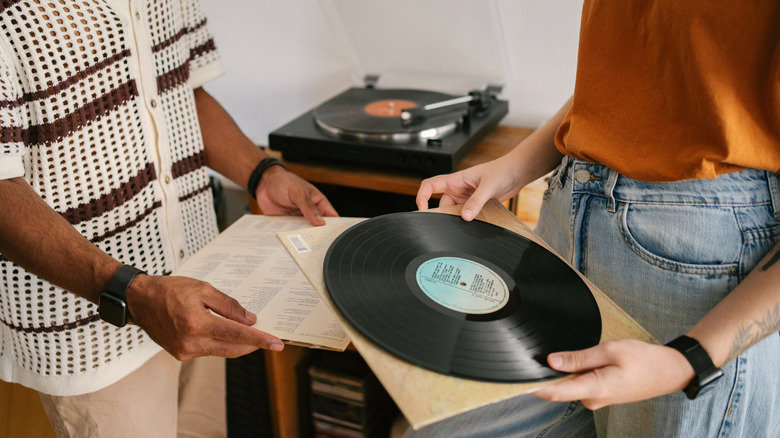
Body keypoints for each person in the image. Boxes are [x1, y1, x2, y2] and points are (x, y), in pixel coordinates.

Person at [411, 2, 780, 437]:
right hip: (563, 220)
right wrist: (515, 166)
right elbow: (628, 78)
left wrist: (689, 359)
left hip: (697, 274)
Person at [0, 1, 337, 436]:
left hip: (199, 288)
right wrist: (134, 294)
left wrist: (261, 172)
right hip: (90, 330)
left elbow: (181, 89)